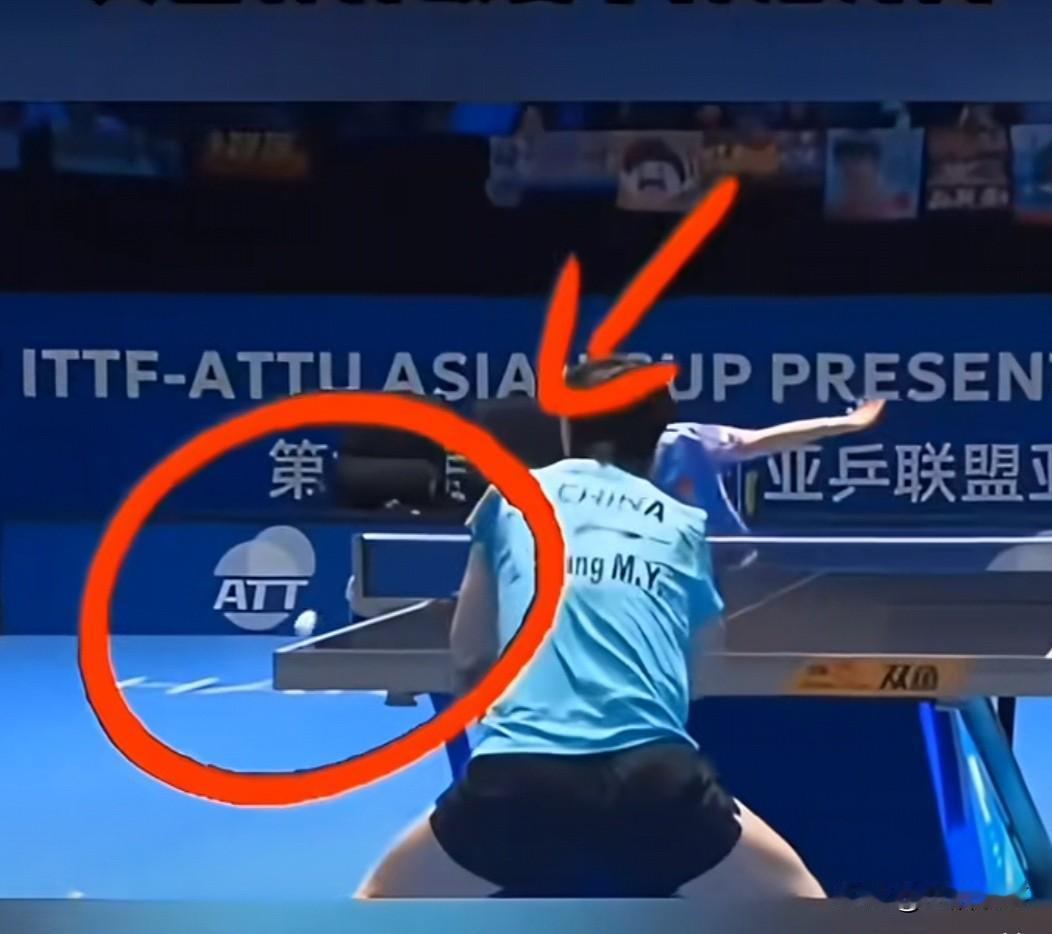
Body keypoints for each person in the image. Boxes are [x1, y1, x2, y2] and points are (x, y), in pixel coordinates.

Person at [357, 355, 825, 902]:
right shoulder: (683, 524)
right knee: (806, 905)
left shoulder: (509, 498)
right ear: (658, 439)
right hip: (654, 781)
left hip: (519, 780)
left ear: (566, 427)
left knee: (377, 901)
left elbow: (470, 657)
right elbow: (702, 667)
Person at [653, 398, 886, 536]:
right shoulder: (681, 441)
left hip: (704, 561)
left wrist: (844, 423)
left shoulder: (686, 441)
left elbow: (760, 440)